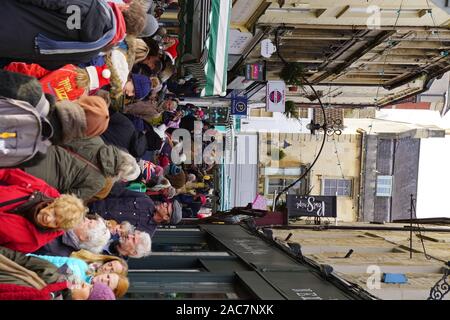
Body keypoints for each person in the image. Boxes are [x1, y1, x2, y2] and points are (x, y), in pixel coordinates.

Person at [0, 0, 146, 69]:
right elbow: (48, 63)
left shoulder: (92, 6)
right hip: (12, 46)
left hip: (9, 12)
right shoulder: (93, 51)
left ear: (125, 7)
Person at [0, 169, 86, 253]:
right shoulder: (42, 190)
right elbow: (8, 172)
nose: (48, 219)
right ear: (52, 203)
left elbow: (4, 253)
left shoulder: (32, 243)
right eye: (54, 213)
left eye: (56, 223)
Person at [0, 246, 115, 300]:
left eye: (90, 290)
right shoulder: (54, 272)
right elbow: (18, 258)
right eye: (92, 285)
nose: (86, 284)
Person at [89, 184, 182, 237]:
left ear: (166, 217)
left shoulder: (146, 233)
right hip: (92, 203)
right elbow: (118, 191)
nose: (164, 204)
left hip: (92, 227)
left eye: (166, 207)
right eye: (166, 203)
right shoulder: (146, 200)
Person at [33, 216, 111, 257]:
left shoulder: (58, 253)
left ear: (84, 237)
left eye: (89, 223)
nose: (86, 218)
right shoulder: (68, 220)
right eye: (90, 219)